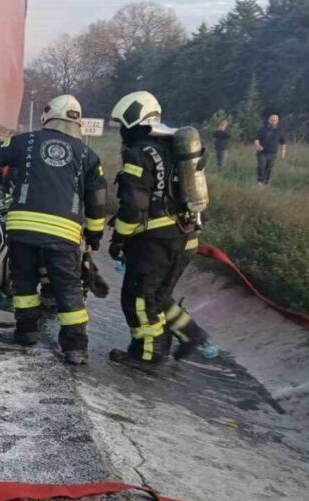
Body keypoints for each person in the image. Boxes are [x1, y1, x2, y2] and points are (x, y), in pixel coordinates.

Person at [0, 95, 107, 365]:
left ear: (47, 116)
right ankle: (75, 348)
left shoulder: (26, 141)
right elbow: (97, 199)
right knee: (68, 288)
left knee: (24, 283)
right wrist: (94, 236)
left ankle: (26, 333)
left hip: (22, 229)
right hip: (64, 234)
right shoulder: (88, 155)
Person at [107, 91, 209, 366]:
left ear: (135, 121)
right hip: (186, 235)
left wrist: (119, 239)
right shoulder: (174, 147)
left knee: (138, 296)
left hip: (157, 241)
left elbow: (133, 205)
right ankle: (191, 333)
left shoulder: (139, 153)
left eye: (123, 125)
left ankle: (148, 353)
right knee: (158, 295)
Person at [254, 114, 286, 184]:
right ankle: (260, 181)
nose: (273, 121)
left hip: (273, 153)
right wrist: (258, 146)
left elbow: (283, 142)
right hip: (262, 152)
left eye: (275, 120)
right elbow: (256, 139)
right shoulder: (263, 129)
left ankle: (266, 182)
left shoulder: (279, 130)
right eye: (272, 120)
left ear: (277, 121)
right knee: (261, 166)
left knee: (269, 168)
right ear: (269, 120)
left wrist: (283, 151)